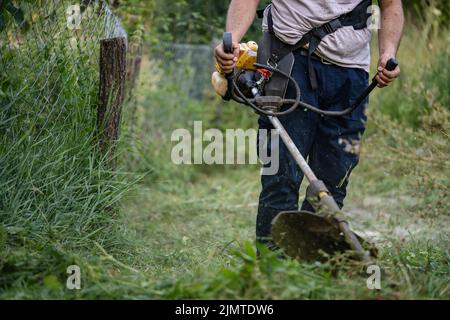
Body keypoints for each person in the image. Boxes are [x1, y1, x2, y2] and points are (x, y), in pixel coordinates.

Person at [215, 0, 404, 250]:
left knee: (333, 179)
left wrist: (388, 52)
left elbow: (391, 6)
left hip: (351, 75)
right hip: (287, 61)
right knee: (280, 175)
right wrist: (233, 40)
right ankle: (273, 270)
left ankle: (309, 263)